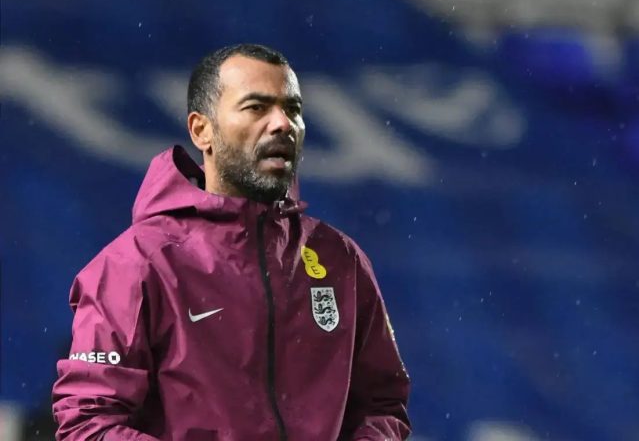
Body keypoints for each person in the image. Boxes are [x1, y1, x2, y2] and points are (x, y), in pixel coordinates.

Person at [52, 44, 411, 441]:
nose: (283, 124)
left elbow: (382, 405)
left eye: (292, 109)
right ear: (201, 130)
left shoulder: (339, 259)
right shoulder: (136, 264)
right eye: (257, 107)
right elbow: (90, 424)